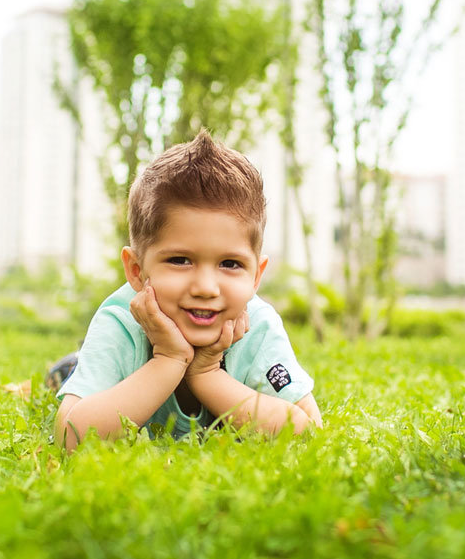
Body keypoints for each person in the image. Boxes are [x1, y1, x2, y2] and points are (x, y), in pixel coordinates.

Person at [52, 130, 322, 450]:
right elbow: (70, 438)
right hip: (105, 364)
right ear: (137, 271)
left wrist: (206, 374)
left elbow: (306, 431)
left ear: (255, 276)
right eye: (180, 260)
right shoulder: (120, 321)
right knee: (68, 372)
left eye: (230, 264)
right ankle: (67, 368)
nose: (206, 288)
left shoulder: (258, 324)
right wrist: (169, 359)